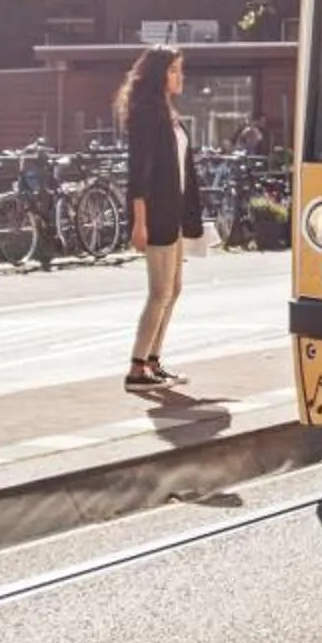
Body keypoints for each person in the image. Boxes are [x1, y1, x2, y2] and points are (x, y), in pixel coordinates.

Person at [118, 46, 204, 391]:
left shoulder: (168, 113)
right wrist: (139, 222)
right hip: (155, 214)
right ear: (158, 75)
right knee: (159, 291)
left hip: (174, 213)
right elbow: (138, 172)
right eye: (174, 70)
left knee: (174, 288)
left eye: (180, 70)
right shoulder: (146, 113)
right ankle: (137, 368)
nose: (180, 77)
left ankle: (154, 360)